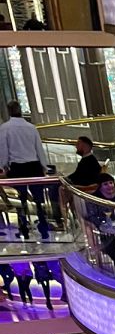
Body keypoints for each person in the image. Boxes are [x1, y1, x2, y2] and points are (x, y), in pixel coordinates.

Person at [0, 101, 51, 243]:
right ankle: (43, 227)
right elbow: (39, 148)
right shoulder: (31, 127)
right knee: (38, 200)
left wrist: (3, 166)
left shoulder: (5, 128)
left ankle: (24, 228)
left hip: (18, 168)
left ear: (9, 111)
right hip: (34, 166)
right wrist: (44, 166)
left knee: (21, 199)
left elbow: (3, 150)